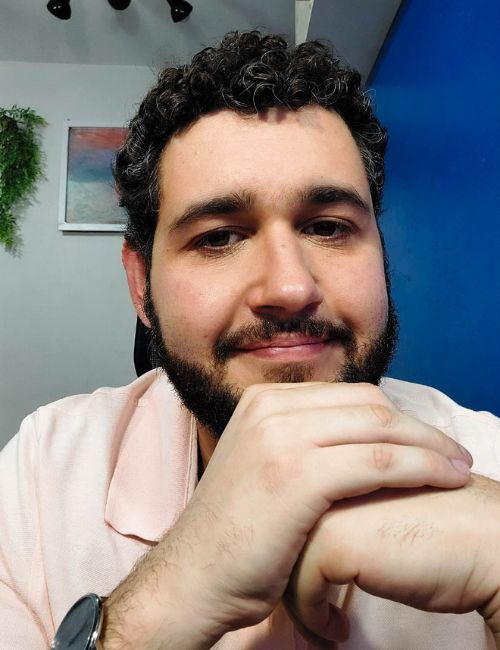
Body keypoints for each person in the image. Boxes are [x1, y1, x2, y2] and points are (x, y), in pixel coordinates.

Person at [1, 31, 499, 650]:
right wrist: (146, 617)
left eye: (328, 227)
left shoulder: (489, 464)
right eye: (218, 238)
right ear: (140, 286)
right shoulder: (41, 476)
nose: (290, 287)